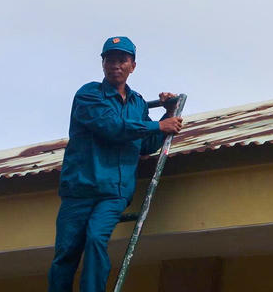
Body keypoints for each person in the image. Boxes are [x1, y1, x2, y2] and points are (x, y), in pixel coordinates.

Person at [48, 37, 182, 292]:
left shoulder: (138, 103)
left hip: (114, 191)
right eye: (110, 59)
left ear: (133, 66)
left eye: (122, 60)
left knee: (96, 239)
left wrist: (167, 113)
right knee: (66, 252)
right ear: (102, 64)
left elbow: (145, 145)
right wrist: (157, 124)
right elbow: (110, 127)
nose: (116, 65)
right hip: (80, 189)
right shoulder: (89, 94)